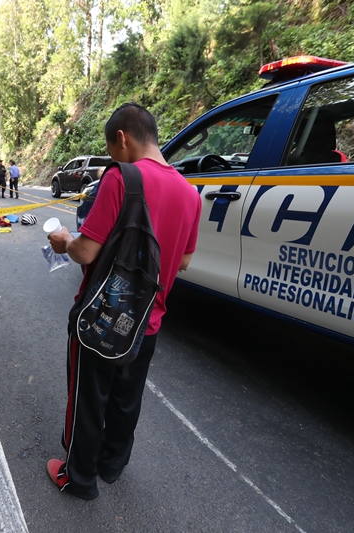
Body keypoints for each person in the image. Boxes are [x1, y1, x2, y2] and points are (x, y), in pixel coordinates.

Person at [45, 103, 202, 500]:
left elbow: (85, 252)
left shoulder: (121, 178)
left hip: (102, 316)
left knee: (88, 396)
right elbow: (182, 261)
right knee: (126, 396)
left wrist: (65, 242)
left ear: (122, 138)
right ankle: (111, 465)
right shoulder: (191, 194)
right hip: (148, 321)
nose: (112, 157)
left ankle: (78, 478)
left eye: (112, 149)